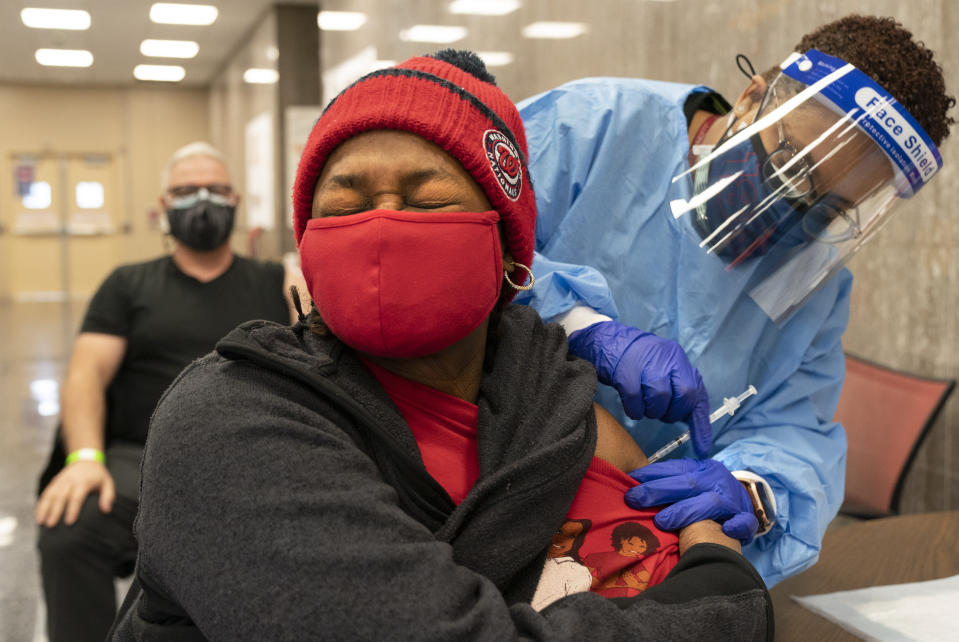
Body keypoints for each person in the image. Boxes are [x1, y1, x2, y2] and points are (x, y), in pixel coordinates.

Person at [110, 50, 772, 640]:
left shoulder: (551, 402)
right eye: (343, 209)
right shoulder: (228, 423)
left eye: (427, 203)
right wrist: (720, 594)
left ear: (510, 256)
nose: (383, 230)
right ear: (306, 249)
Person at [514, 14, 955, 587]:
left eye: (832, 208)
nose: (796, 206)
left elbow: (794, 430)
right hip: (489, 479)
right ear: (752, 98)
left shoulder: (814, 288)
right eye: (793, 164)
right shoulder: (592, 127)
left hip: (627, 547)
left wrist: (751, 488)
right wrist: (582, 327)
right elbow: (472, 241)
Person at [35, 141, 300, 642]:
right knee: (70, 532)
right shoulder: (128, 285)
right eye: (184, 191)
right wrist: (85, 458)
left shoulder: (274, 282)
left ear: (237, 200)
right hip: (140, 461)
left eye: (216, 189)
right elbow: (85, 374)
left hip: (254, 462)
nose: (201, 200)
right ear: (161, 207)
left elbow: (316, 362)